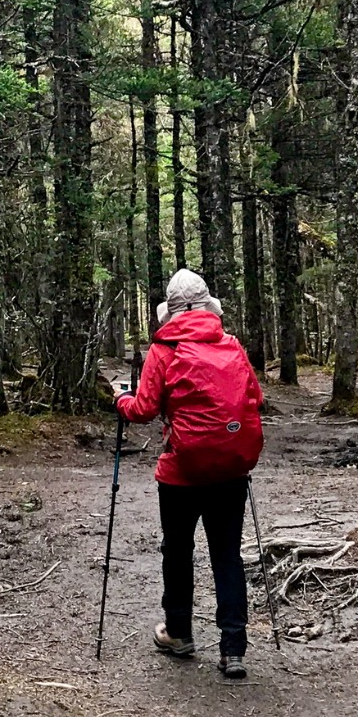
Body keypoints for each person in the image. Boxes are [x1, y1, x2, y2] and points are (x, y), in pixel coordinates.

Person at [115, 268, 266, 679]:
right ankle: (233, 648)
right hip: (231, 473)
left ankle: (179, 634)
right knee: (227, 556)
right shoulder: (231, 345)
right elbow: (256, 397)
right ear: (206, 307)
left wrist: (121, 401)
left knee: (178, 552)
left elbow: (143, 409)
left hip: (180, 474)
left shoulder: (163, 350)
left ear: (172, 312)